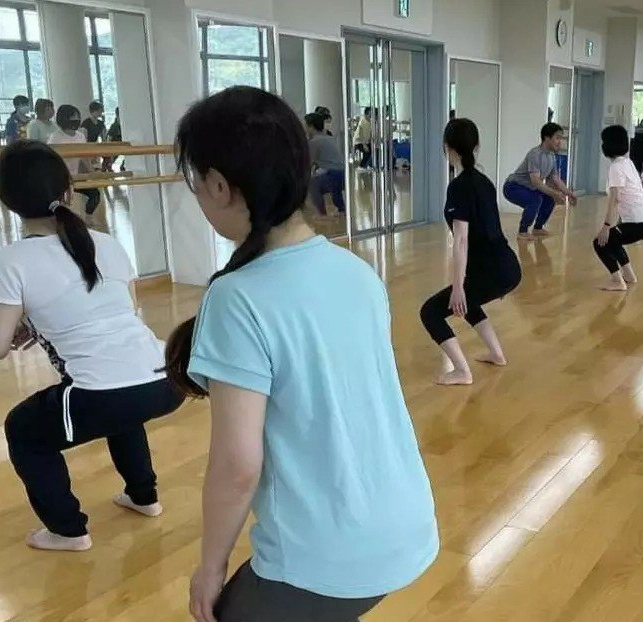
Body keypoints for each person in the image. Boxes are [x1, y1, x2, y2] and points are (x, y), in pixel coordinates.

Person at [159, 86, 438, 621]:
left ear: (219, 185)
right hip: (408, 527)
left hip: (330, 557)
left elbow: (237, 465)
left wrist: (210, 569)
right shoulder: (355, 270)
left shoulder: (236, 297)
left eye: (195, 185)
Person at [0, 140, 181, 552]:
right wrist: (38, 320)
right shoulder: (107, 242)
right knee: (120, 402)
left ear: (7, 202)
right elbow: (116, 311)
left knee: (23, 430)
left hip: (106, 393)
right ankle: (144, 496)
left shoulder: (10, 260)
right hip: (166, 377)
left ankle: (67, 530)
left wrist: (25, 319)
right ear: (69, 191)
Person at [419, 118, 521, 386]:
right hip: (508, 267)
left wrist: (457, 286)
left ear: (447, 148)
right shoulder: (484, 181)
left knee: (430, 311)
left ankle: (462, 371)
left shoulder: (459, 186)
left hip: (491, 271)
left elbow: (461, 240)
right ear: (476, 147)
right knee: (468, 302)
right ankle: (497, 354)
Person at [593, 125, 643, 291]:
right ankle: (629, 276)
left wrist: (606, 226)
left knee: (600, 242)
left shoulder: (616, 167)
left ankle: (618, 281)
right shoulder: (627, 163)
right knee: (614, 240)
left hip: (639, 221)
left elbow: (615, 199)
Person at [502, 122, 578, 240]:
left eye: (561, 138)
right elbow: (536, 182)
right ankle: (522, 232)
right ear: (547, 138)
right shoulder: (535, 154)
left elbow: (555, 179)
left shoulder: (551, 156)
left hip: (529, 188)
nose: (560, 142)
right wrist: (555, 193)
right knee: (535, 199)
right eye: (557, 138)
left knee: (549, 198)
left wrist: (569, 193)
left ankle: (537, 228)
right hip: (512, 187)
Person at [49, 105, 101, 222]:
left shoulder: (80, 136)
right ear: (63, 118)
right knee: (60, 202)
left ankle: (88, 219)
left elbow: (84, 158)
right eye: (72, 117)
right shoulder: (55, 138)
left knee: (95, 195)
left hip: (76, 177)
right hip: (60, 178)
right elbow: (51, 160)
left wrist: (92, 173)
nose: (76, 119)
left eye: (77, 117)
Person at [304, 112, 345, 216]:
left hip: (332, 173)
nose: (304, 128)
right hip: (341, 173)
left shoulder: (314, 141)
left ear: (311, 126)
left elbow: (309, 162)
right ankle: (341, 208)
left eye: (305, 125)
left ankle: (321, 213)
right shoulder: (329, 138)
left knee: (312, 184)